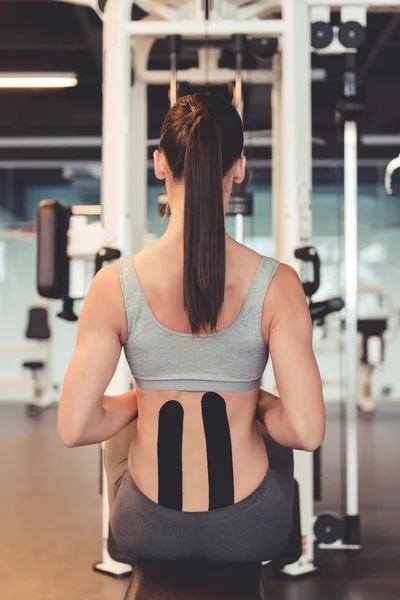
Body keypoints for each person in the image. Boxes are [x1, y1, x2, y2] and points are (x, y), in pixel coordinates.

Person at [58, 93, 325, 563]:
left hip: (146, 528)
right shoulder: (279, 284)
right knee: (275, 444)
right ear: (238, 167)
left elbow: (76, 426)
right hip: (251, 526)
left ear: (160, 163)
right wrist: (253, 403)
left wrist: (142, 401)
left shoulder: (114, 286)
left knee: (122, 434)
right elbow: (305, 431)